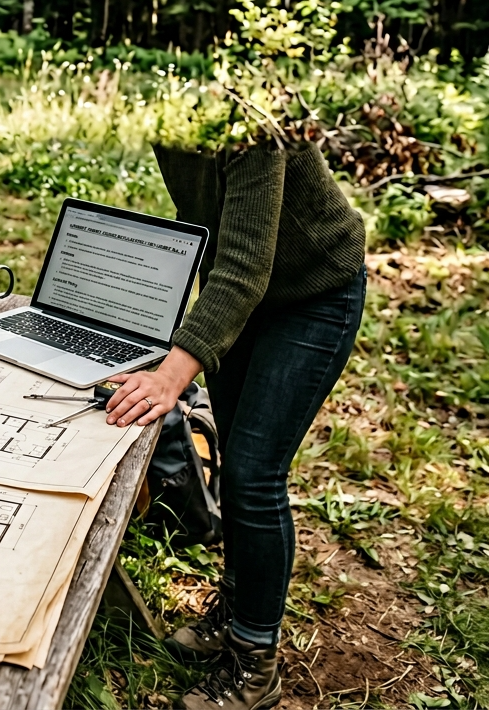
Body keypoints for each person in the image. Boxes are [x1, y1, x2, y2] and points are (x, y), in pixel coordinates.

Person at [103, 140, 366, 710]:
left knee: (253, 474)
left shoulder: (254, 122)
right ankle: (238, 611)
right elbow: (204, 229)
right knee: (239, 460)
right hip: (241, 299)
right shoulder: (172, 116)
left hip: (312, 295)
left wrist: (173, 375)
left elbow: (246, 267)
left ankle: (255, 664)